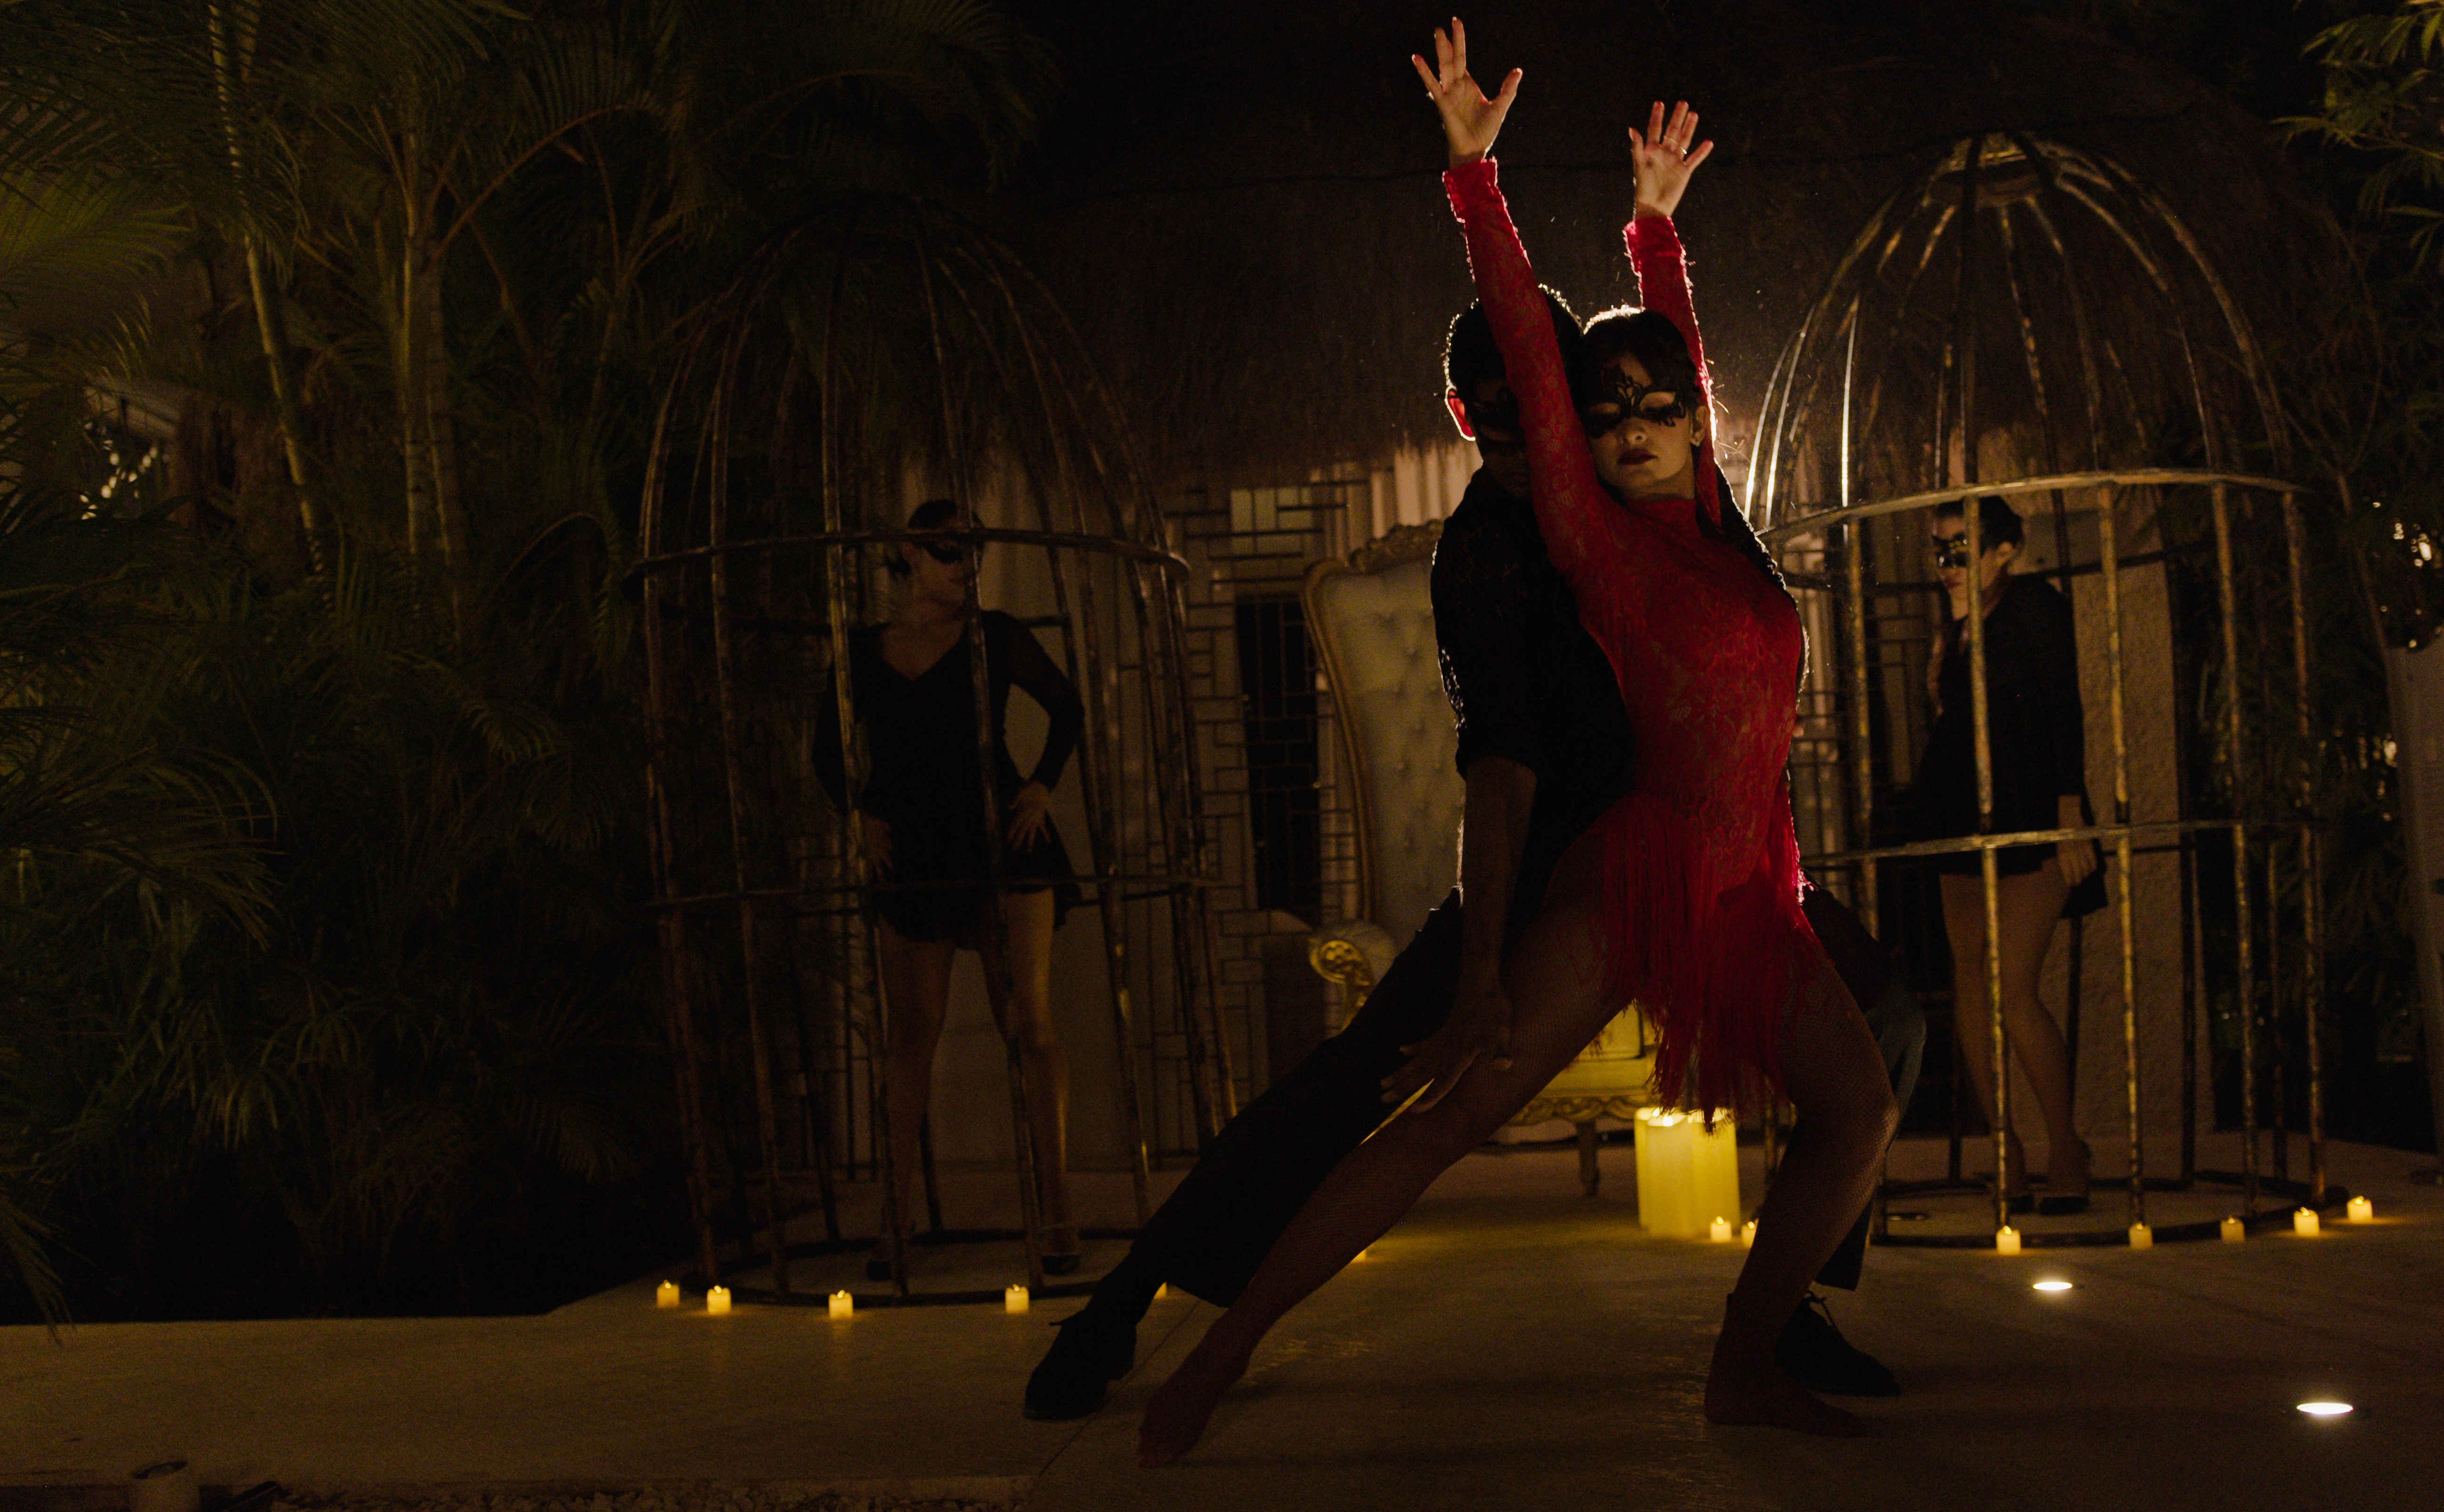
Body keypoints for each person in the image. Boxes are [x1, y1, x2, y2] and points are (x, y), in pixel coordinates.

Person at [1021, 95, 1919, 1423]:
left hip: (1741, 879)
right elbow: (1497, 767)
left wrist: (1655, 227)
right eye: (1593, 413)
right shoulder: (1559, 538)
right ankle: (1177, 1324)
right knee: (1400, 1097)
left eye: (1655, 407)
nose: (1627, 426)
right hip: (1587, 864)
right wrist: (1474, 179)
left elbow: (1668, 360)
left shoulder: (1703, 508)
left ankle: (1774, 1331)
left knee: (1874, 1056)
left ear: (1692, 418)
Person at [815, 499, 1090, 1275]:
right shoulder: (868, 649)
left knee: (1029, 1024)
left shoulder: (994, 635)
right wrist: (859, 815)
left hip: (999, 837)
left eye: (973, 553)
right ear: (910, 553)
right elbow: (825, 744)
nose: (965, 567)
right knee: (911, 1032)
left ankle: (1057, 1208)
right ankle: (894, 1214)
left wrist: (1041, 785)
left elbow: (1066, 707)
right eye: (948, 553)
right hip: (913, 846)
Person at [1920, 494, 2103, 1214]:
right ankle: (2007, 1147)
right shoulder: (1959, 623)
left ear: (2004, 550)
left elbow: (2064, 704)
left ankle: (2065, 1145)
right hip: (1959, 808)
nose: (1948, 564)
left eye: (1962, 548)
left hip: (2030, 810)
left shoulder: (2033, 605)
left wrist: (2069, 813)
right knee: (1969, 977)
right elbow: (1957, 720)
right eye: (1940, 550)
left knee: (2012, 985)